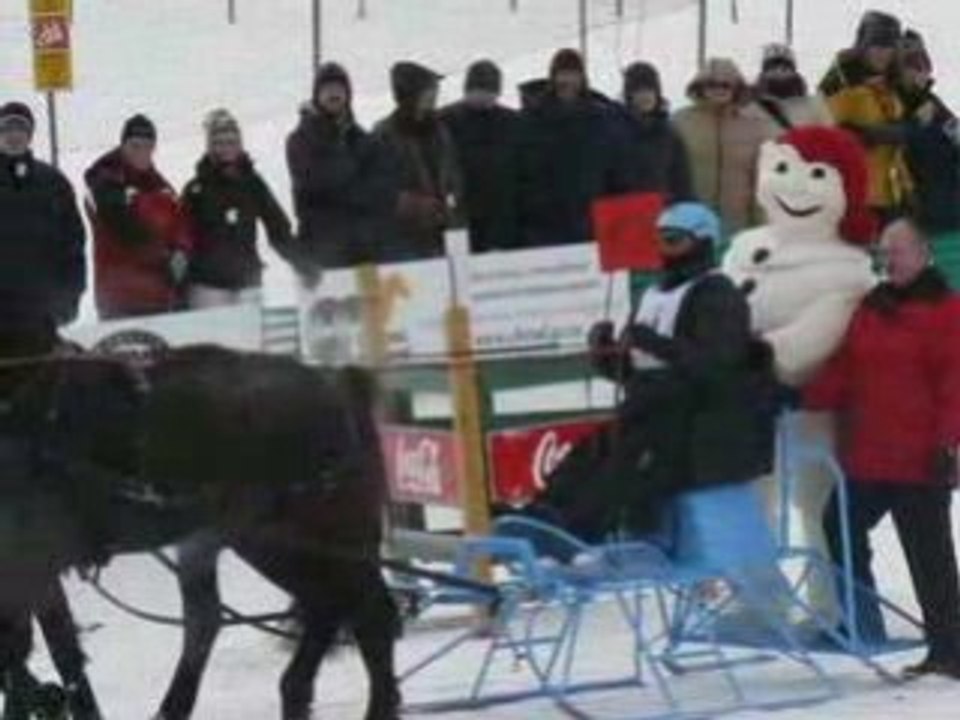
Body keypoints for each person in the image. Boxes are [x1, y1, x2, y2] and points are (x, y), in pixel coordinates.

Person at [538, 203, 776, 541]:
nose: (663, 251)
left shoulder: (716, 295)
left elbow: (716, 368)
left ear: (704, 244)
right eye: (657, 241)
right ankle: (543, 516)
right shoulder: (653, 294)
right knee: (590, 452)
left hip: (697, 427)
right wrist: (606, 354)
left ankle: (577, 534)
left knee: (624, 463)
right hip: (648, 412)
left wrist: (653, 342)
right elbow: (638, 372)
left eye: (673, 241)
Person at [805, 218, 960, 678]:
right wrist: (798, 395)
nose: (889, 258)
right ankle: (864, 618)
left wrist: (949, 442)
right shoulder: (870, 308)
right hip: (868, 455)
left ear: (924, 253)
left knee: (928, 556)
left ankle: (949, 649)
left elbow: (956, 383)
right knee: (837, 523)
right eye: (884, 250)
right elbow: (844, 369)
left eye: (899, 249)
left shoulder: (947, 311)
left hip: (919, 456)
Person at [286, 62, 399, 278]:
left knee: (373, 311)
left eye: (339, 88)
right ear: (317, 95)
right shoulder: (300, 140)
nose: (334, 94)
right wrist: (352, 175)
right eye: (327, 89)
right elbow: (315, 182)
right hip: (321, 254)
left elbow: (382, 190)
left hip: (364, 251)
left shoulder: (363, 139)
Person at [182, 109, 296, 308]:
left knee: (252, 338)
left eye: (231, 142)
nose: (226, 148)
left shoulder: (252, 183)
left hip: (247, 283)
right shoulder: (196, 189)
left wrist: (303, 261)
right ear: (210, 147)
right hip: (208, 286)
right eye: (219, 143)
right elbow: (181, 236)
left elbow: (278, 227)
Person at [84, 115, 192, 319]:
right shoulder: (105, 181)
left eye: (148, 147)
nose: (141, 153)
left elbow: (180, 224)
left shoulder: (161, 186)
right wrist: (163, 256)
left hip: (160, 297)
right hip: (120, 300)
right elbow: (119, 225)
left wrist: (181, 250)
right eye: (135, 146)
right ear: (123, 146)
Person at [517, 48, 628, 247]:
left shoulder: (602, 119)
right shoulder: (531, 119)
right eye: (562, 74)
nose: (567, 81)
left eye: (573, 74)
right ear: (553, 77)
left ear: (582, 78)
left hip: (591, 224)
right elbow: (520, 172)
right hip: (543, 227)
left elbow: (615, 172)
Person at [0, 101, 85, 360]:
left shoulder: (53, 182)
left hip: (40, 315)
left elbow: (73, 244)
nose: (14, 135)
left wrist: (70, 296)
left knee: (42, 389)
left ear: (30, 134)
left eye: (21, 128)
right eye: (7, 128)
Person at [820, 10, 913, 225]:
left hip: (890, 194)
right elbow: (822, 134)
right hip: (853, 198)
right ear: (863, 45)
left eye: (889, 46)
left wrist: (903, 131)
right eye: (877, 46)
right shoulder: (842, 79)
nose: (883, 53)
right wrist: (865, 136)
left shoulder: (892, 82)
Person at [672, 58, 774, 236]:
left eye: (726, 85)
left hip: (738, 227)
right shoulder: (680, 122)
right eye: (712, 84)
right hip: (689, 227)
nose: (719, 90)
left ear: (736, 88)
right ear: (700, 87)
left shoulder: (753, 127)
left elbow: (761, 182)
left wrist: (761, 228)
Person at [374, 61, 462, 261]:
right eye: (429, 90)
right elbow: (378, 190)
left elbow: (453, 175)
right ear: (411, 95)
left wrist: (452, 204)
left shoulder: (440, 130)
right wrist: (414, 205)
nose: (435, 96)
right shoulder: (384, 135)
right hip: (403, 243)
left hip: (442, 239)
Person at [439, 59, 522, 252]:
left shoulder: (512, 123)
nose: (483, 98)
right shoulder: (445, 120)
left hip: (502, 219)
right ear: (467, 90)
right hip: (461, 218)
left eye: (489, 92)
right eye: (478, 91)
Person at [896, 31, 960, 237]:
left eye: (922, 65)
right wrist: (915, 124)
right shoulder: (889, 102)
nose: (919, 72)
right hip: (918, 213)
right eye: (911, 66)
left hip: (949, 207)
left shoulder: (933, 103)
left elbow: (955, 132)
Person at [618, 61, 693, 202]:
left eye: (650, 90)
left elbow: (682, 183)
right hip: (626, 214)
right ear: (629, 95)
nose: (645, 96)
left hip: (663, 214)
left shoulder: (670, 134)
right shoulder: (615, 132)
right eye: (638, 91)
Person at [753, 43, 833, 133]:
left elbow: (830, 134)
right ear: (764, 71)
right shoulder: (752, 108)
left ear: (793, 70)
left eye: (785, 67)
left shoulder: (813, 105)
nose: (779, 70)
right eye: (772, 67)